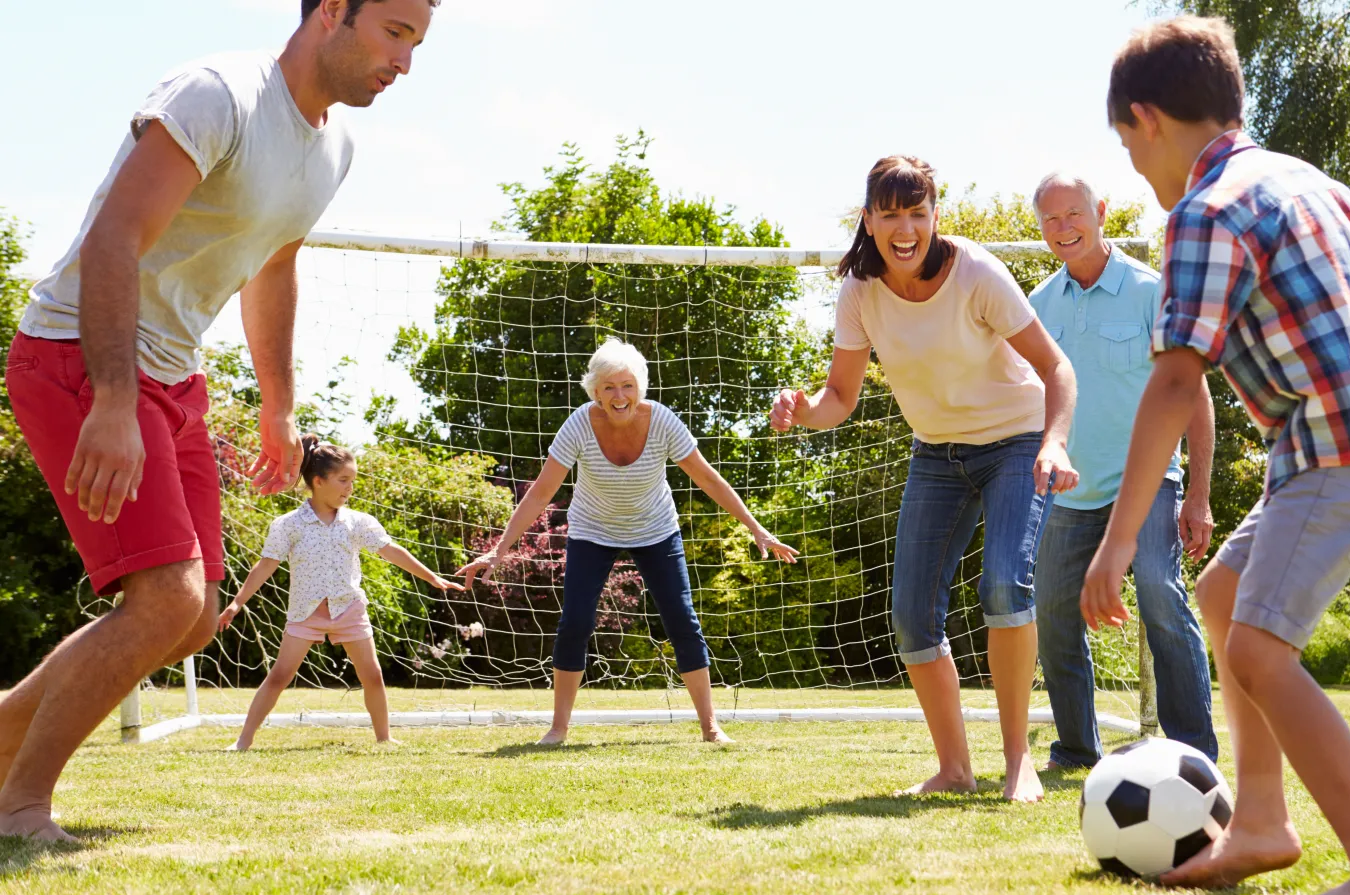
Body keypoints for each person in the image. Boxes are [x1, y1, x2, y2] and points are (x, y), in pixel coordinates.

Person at [0, 0, 437, 841]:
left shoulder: (334, 147)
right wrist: (117, 402)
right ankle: (19, 806)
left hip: (175, 380)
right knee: (165, 600)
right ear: (332, 13)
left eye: (417, 43)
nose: (405, 63)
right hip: (78, 356)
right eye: (394, 33)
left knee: (192, 618)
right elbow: (112, 238)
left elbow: (273, 266)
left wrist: (280, 406)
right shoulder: (218, 95)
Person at [1082, 17, 1350, 895]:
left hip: (1342, 443)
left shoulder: (1202, 214)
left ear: (1148, 119)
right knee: (1223, 596)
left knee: (1257, 650)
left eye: (1130, 148)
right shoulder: (1307, 181)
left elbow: (1176, 384)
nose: (1138, 169)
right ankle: (1258, 823)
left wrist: (1118, 539)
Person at [770, 156, 1078, 803]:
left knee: (1003, 583)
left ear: (936, 217)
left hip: (1016, 443)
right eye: (890, 213)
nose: (904, 228)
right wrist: (803, 414)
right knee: (911, 617)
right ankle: (955, 768)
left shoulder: (976, 274)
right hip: (937, 453)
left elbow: (1057, 369)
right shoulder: (859, 290)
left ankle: (1018, 761)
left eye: (917, 212)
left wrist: (1052, 443)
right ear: (869, 219)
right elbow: (840, 398)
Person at [458, 339, 798, 746]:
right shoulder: (579, 424)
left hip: (656, 528)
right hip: (592, 530)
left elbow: (707, 478)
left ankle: (711, 727)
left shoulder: (663, 421)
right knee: (576, 622)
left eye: (628, 385)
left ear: (641, 386)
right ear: (595, 392)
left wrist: (755, 527)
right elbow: (540, 493)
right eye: (609, 387)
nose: (619, 396)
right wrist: (500, 549)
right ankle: (558, 728)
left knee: (682, 620)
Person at [1027, 172, 1220, 769]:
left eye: (1074, 214)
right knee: (1054, 612)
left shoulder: (1149, 291)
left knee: (1161, 594)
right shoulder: (1037, 306)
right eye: (1051, 220)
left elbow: (1195, 396)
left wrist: (1200, 497)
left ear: (1100, 211)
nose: (1064, 229)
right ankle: (1077, 749)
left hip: (1151, 483)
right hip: (1069, 493)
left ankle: (1194, 754)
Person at [217, 437, 462, 750]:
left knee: (372, 675)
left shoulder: (357, 522)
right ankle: (243, 741)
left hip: (349, 610)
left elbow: (391, 550)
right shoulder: (288, 525)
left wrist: (432, 578)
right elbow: (265, 566)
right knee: (278, 677)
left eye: (353, 481)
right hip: (306, 613)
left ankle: (384, 738)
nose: (350, 488)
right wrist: (237, 603)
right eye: (343, 480)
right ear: (318, 482)